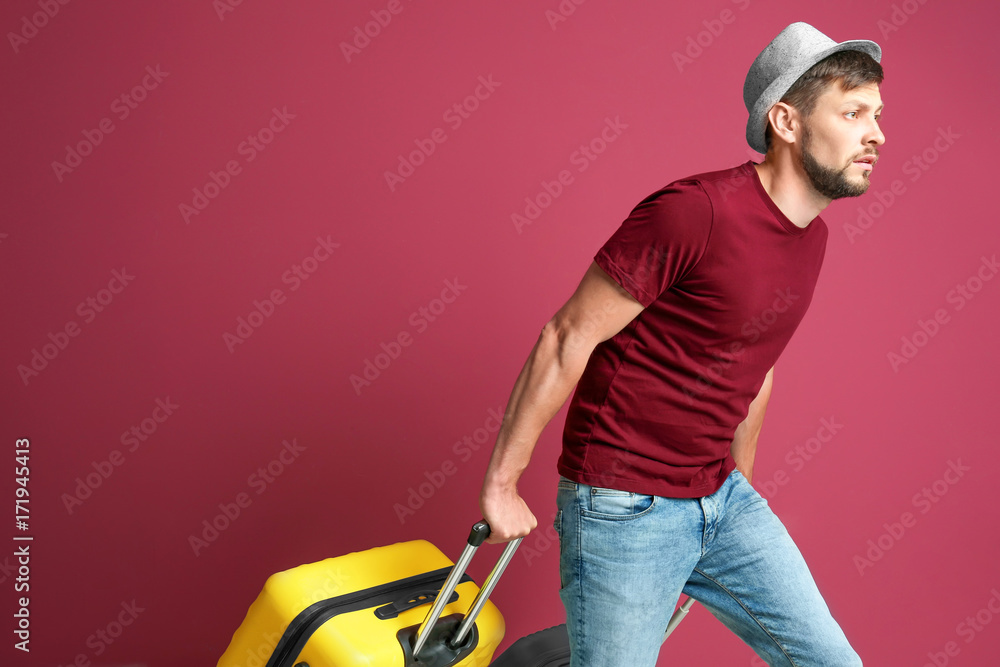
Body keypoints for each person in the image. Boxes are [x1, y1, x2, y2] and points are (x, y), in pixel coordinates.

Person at [478, 21, 885, 666]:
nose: (876, 134)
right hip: (622, 504)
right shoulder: (695, 210)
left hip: (717, 495)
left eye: (878, 115)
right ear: (786, 121)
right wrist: (503, 485)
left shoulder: (811, 236)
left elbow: (754, 363)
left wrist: (740, 487)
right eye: (853, 112)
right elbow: (567, 334)